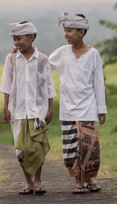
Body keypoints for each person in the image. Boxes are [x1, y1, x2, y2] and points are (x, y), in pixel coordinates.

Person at [49, 13, 107, 194]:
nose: (66, 34)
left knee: (87, 149)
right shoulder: (61, 52)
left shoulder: (93, 54)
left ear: (81, 32)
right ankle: (88, 181)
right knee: (72, 149)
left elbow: (98, 82)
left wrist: (101, 109)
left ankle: (80, 183)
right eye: (65, 30)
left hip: (88, 109)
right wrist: (26, 51)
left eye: (70, 30)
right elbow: (43, 66)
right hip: (67, 109)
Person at [0, 21, 56, 195]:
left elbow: (48, 84)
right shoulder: (10, 59)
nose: (16, 42)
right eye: (14, 39)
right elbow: (6, 84)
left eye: (19, 38)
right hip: (17, 110)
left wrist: (50, 108)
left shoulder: (42, 59)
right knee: (21, 148)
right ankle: (29, 183)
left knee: (36, 146)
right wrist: (5, 108)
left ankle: (38, 180)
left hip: (37, 111)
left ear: (31, 37)